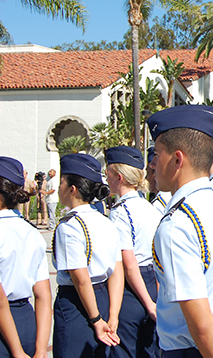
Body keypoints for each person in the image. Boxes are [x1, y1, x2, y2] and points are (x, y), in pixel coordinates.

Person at [147, 105, 213, 357]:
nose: (152, 164)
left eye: (157, 154)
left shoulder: (177, 226)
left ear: (177, 159)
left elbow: (202, 326)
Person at [52, 153, 124, 357]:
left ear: (72, 189)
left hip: (77, 303)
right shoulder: (106, 222)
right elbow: (117, 271)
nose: (59, 189)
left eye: (62, 182)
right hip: (104, 298)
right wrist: (113, 315)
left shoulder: (70, 226)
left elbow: (81, 279)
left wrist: (95, 320)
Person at [105, 146, 162, 358]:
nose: (106, 179)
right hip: (152, 280)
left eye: (108, 174)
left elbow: (128, 264)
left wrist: (148, 304)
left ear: (118, 177)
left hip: (132, 288)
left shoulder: (120, 213)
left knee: (125, 350)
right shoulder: (150, 208)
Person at [0, 157, 51, 358]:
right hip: (25, 321)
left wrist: (16, 351)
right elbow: (43, 295)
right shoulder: (31, 232)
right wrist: (40, 350)